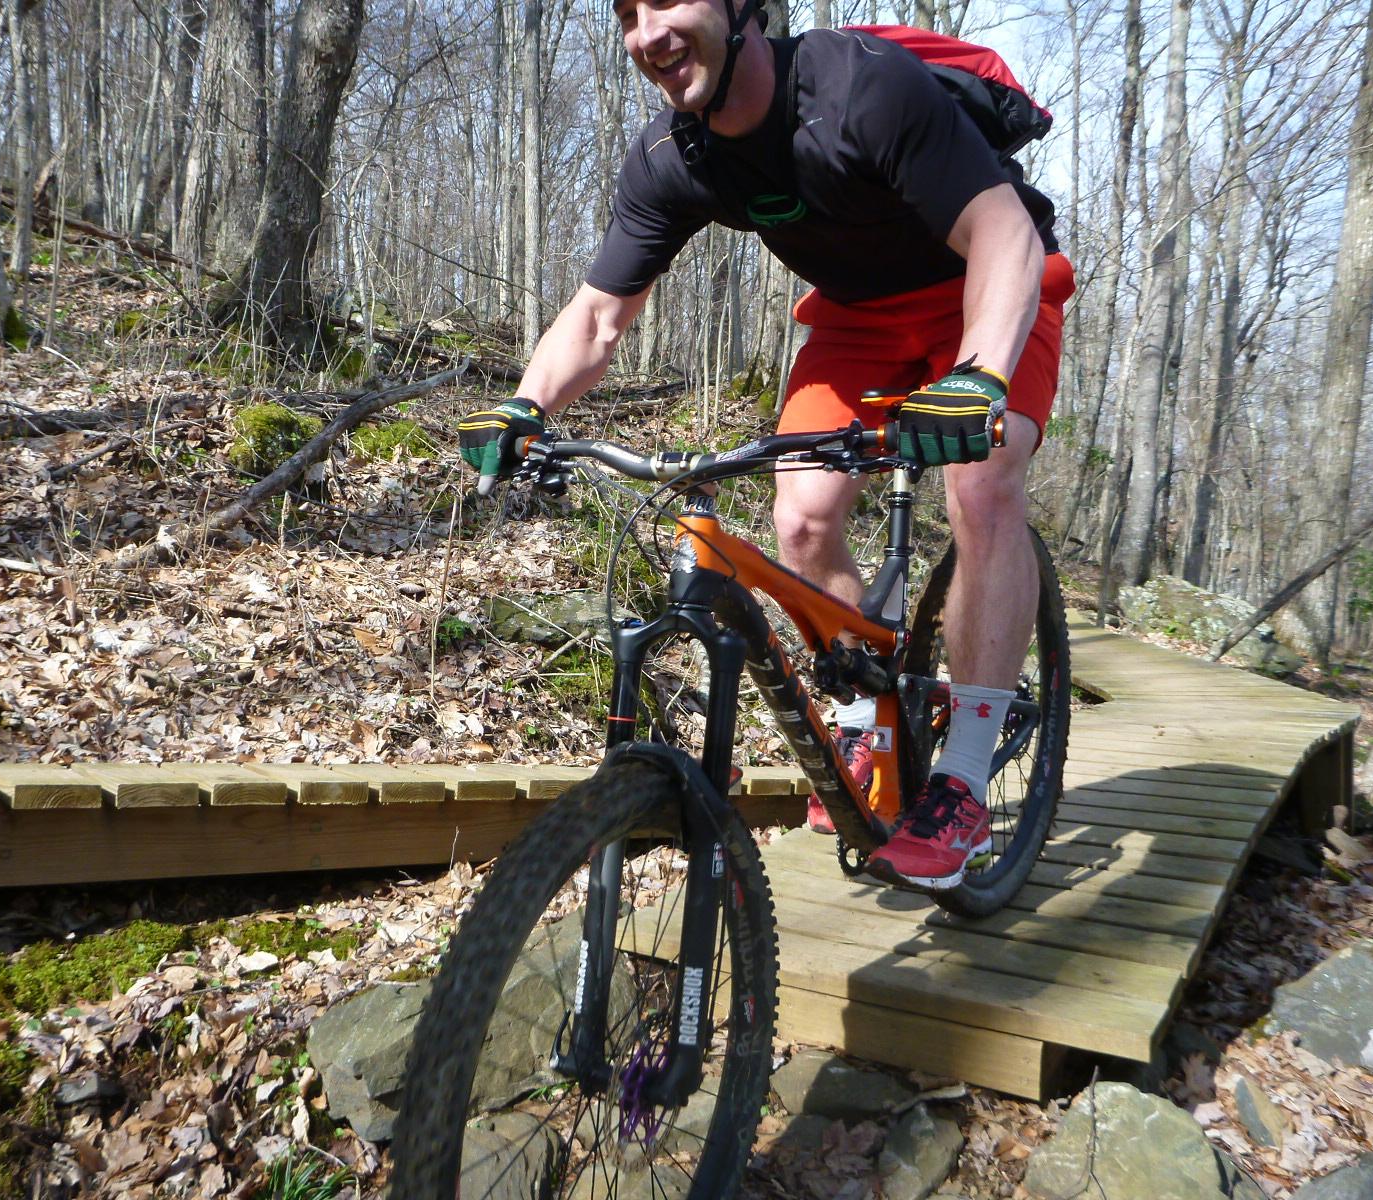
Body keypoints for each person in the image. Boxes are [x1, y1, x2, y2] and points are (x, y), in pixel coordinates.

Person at [459, 0, 1074, 891]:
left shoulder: (861, 88)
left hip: (984, 285)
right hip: (856, 318)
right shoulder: (677, 156)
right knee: (801, 517)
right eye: (627, 14)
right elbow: (596, 318)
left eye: (669, 1)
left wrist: (979, 375)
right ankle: (869, 718)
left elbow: (1001, 232)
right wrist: (524, 405)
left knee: (981, 487)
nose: (647, 34)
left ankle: (964, 777)